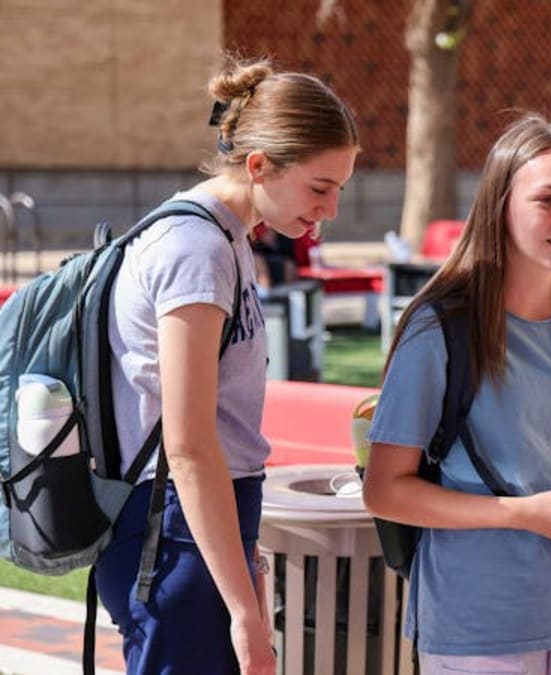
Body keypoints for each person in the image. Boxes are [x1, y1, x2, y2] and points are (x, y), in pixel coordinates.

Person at [94, 56, 358, 674]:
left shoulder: (227, 239)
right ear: (260, 165)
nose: (331, 209)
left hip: (192, 525)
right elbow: (188, 445)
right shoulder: (196, 249)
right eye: (321, 187)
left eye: (340, 189)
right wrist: (245, 610)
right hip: (171, 530)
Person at [361, 113, 551, 674]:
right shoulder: (439, 329)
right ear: (500, 206)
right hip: (477, 624)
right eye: (547, 200)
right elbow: (384, 490)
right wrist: (524, 514)